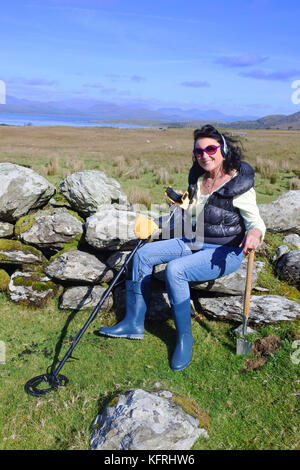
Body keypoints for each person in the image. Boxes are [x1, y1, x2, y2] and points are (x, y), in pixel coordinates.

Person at [99, 124, 266, 371]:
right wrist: (180, 207)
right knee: (143, 254)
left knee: (175, 270)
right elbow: (196, 215)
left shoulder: (238, 184)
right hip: (194, 240)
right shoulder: (199, 179)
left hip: (225, 251)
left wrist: (254, 233)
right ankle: (133, 323)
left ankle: (184, 339)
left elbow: (255, 222)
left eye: (211, 148)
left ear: (224, 149)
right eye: (198, 151)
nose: (204, 155)